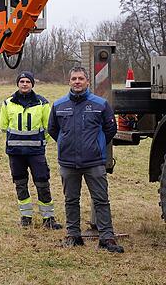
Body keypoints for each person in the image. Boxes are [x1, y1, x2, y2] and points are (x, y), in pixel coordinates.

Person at [48, 66, 124, 253]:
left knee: (101, 200)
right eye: (74, 78)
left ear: (87, 81)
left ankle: (107, 238)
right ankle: (73, 235)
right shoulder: (59, 105)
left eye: (81, 78)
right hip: (68, 162)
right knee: (71, 199)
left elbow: (110, 129)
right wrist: (66, 144)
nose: (77, 81)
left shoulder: (101, 104)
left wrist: (96, 145)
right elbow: (53, 129)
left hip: (94, 162)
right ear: (69, 81)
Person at [0, 71, 63, 230]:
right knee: (20, 184)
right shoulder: (8, 103)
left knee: (42, 183)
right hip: (15, 153)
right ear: (18, 84)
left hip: (36, 153)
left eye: (28, 81)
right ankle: (25, 217)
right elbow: (3, 126)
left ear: (32, 84)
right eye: (22, 81)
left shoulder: (42, 103)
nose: (25, 84)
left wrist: (41, 143)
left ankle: (48, 219)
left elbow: (49, 127)